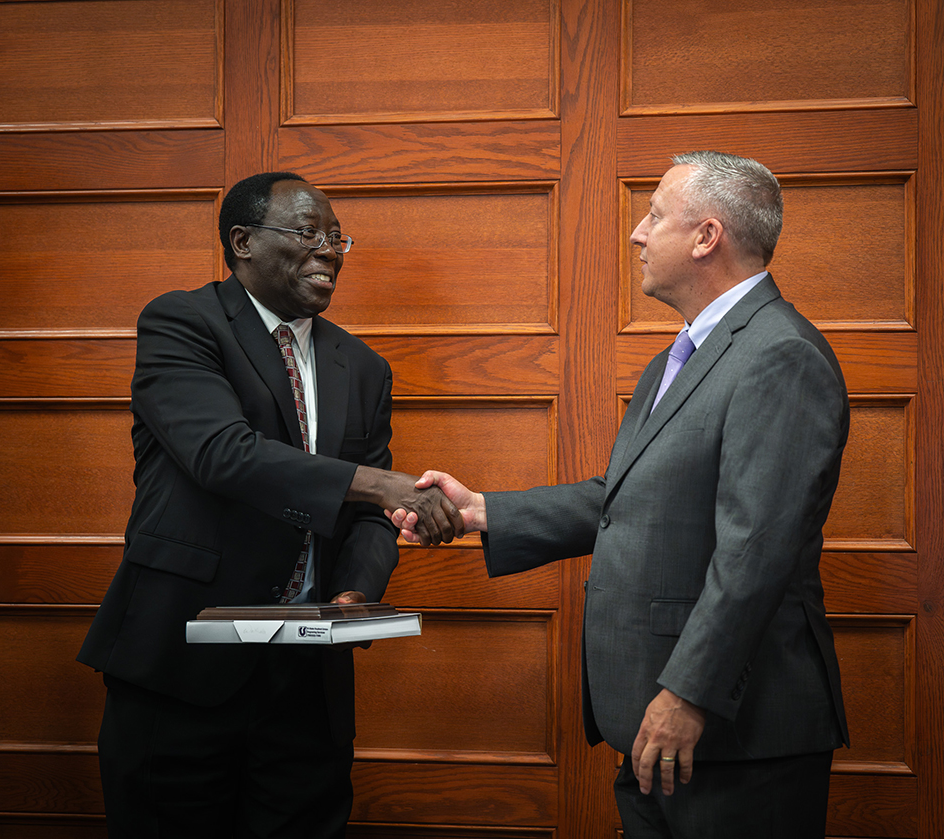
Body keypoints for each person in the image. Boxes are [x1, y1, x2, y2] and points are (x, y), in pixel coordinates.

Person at [393, 152, 850, 838]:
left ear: (707, 236)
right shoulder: (683, 355)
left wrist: (688, 693)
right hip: (652, 723)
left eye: (654, 216)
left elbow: (756, 550)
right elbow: (629, 497)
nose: (637, 233)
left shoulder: (780, 354)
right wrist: (479, 510)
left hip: (732, 733)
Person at [77, 172, 462, 839]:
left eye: (337, 238)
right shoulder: (183, 323)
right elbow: (222, 453)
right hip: (183, 666)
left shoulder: (362, 366)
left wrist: (355, 592)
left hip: (306, 682)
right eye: (308, 232)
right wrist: (382, 484)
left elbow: (367, 514)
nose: (329, 251)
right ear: (243, 242)